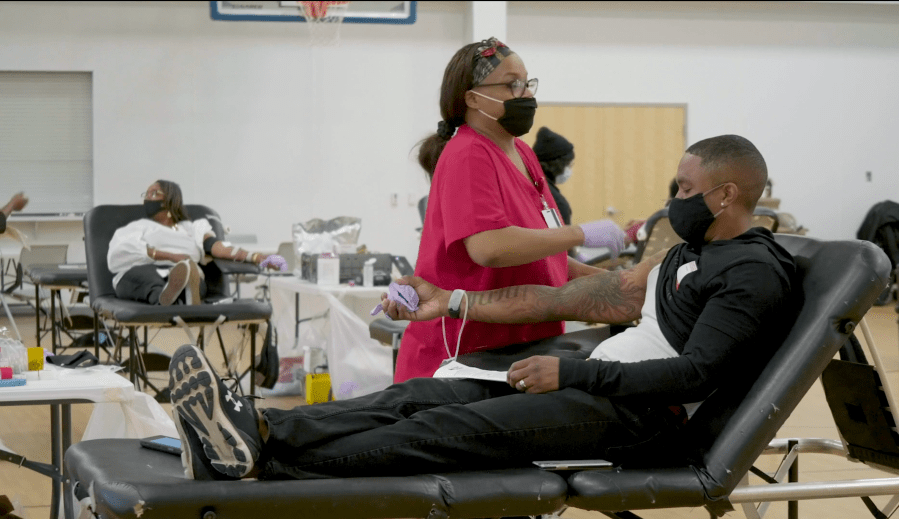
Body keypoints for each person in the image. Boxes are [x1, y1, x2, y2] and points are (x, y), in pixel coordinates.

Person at [169, 134, 797, 482]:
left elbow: (695, 376)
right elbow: (571, 294)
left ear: (726, 194)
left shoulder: (752, 272)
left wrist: (574, 373)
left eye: (685, 189)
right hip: (608, 383)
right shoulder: (684, 251)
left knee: (446, 433)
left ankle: (262, 466)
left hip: (646, 417)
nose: (675, 200)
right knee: (424, 397)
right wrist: (454, 300)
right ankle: (261, 429)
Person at [400, 37, 627, 382]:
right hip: (465, 354)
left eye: (527, 83)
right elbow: (489, 248)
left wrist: (624, 285)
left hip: (521, 348)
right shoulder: (468, 154)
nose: (526, 94)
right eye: (512, 85)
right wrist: (579, 233)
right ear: (474, 98)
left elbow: (545, 261)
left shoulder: (523, 153)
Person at [108, 180, 285, 306]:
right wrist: (170, 256)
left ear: (170, 199)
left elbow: (218, 247)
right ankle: (168, 298)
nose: (148, 198)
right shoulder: (139, 227)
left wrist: (257, 257)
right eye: (146, 194)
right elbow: (119, 252)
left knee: (191, 276)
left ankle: (179, 294)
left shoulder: (193, 228)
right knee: (152, 282)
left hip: (185, 272)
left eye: (154, 193)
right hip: (144, 270)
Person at [533, 126, 575, 225]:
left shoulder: (530, 185)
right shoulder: (553, 201)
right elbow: (558, 237)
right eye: (568, 165)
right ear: (557, 164)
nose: (569, 170)